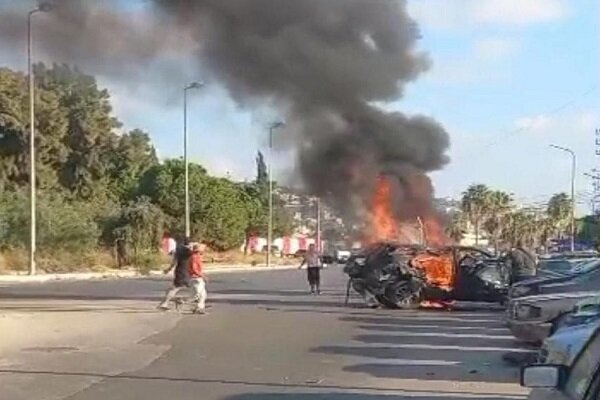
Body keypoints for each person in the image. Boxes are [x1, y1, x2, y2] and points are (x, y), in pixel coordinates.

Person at [158, 237, 194, 311]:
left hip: (179, 272)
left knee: (175, 288)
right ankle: (169, 302)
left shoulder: (178, 251)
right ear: (189, 244)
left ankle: (168, 302)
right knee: (194, 288)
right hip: (185, 273)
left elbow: (173, 263)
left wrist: (168, 270)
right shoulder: (188, 252)